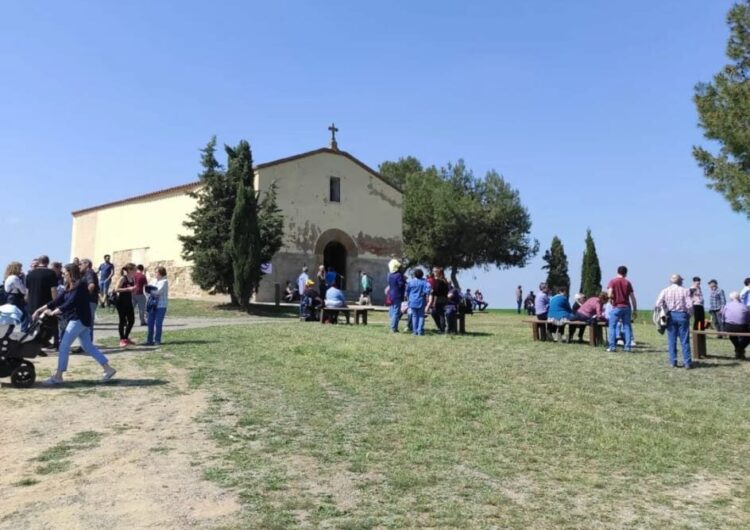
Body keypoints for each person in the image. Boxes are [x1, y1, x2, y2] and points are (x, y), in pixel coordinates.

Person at [32, 263, 117, 386]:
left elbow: (71, 303)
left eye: (65, 273)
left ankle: (58, 376)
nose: (63, 275)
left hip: (79, 320)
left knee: (63, 346)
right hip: (80, 320)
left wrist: (54, 312)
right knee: (88, 347)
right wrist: (40, 309)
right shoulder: (69, 286)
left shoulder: (81, 285)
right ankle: (108, 369)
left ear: (70, 273)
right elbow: (58, 300)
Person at [655, 274, 693, 369]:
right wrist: (689, 315)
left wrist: (664, 310)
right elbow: (690, 305)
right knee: (684, 340)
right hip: (682, 315)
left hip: (670, 315)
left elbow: (657, 304)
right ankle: (687, 362)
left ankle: (673, 361)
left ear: (671, 281)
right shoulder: (685, 290)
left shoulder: (665, 290)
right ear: (680, 281)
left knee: (672, 340)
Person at [606, 266, 637, 353]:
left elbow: (609, 294)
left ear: (617, 272)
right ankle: (627, 347)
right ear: (626, 273)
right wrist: (635, 309)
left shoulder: (613, 281)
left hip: (616, 307)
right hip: (626, 307)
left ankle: (612, 347)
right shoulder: (628, 283)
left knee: (612, 326)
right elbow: (632, 297)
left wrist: (611, 299)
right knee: (627, 327)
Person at [24, 255, 58, 332]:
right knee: (49, 328)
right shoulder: (51, 273)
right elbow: (53, 290)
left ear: (39, 262)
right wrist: (56, 302)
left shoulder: (30, 274)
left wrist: (28, 302)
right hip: (46, 305)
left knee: (34, 327)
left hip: (32, 305)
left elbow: (27, 293)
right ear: (48, 262)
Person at [721, 291, 749, 359]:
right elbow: (748, 319)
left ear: (731, 298)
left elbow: (722, 317)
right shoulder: (744, 306)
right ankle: (740, 349)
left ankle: (738, 349)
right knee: (748, 336)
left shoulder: (726, 305)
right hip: (741, 327)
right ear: (739, 298)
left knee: (732, 334)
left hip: (729, 326)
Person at [145, 266, 169, 346]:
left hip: (161, 305)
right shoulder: (153, 281)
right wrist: (151, 290)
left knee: (158, 323)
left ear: (161, 273)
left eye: (156, 272)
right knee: (150, 322)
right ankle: (149, 340)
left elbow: (158, 292)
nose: (155, 273)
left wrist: (150, 290)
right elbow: (146, 290)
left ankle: (157, 340)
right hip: (152, 304)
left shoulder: (164, 281)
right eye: (155, 272)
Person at [114, 264, 137, 347]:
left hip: (128, 301)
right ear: (130, 270)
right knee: (122, 321)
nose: (136, 271)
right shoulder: (123, 278)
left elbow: (131, 290)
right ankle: (122, 339)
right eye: (135, 270)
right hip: (121, 302)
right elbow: (116, 289)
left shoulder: (132, 279)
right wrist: (128, 289)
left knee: (131, 320)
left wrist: (133, 290)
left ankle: (126, 338)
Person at [79, 259, 100, 342]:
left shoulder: (89, 272)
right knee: (86, 323)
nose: (79, 266)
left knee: (87, 323)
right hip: (91, 301)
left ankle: (87, 344)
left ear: (87, 264)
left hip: (89, 301)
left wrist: (85, 296)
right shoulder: (87, 273)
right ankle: (86, 344)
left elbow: (91, 285)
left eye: (80, 264)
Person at [406, 268, 432, 336]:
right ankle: (419, 331)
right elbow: (429, 289)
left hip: (412, 301)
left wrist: (408, 299)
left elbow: (407, 292)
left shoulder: (411, 282)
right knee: (421, 316)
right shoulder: (424, 282)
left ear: (414, 275)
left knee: (414, 316)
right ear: (422, 275)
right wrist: (425, 293)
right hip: (421, 301)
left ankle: (414, 331)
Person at [428, 267, 449, 333]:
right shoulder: (444, 280)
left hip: (439, 299)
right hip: (443, 299)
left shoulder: (439, 281)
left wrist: (431, 292)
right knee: (435, 313)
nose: (433, 273)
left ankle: (441, 328)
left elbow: (437, 291)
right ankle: (441, 327)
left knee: (439, 314)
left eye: (435, 271)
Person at [387, 260, 406, 332]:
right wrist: (404, 280)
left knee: (392, 311)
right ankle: (393, 328)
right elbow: (401, 284)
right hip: (397, 295)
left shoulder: (389, 275)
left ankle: (393, 326)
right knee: (396, 311)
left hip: (391, 294)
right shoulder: (398, 275)